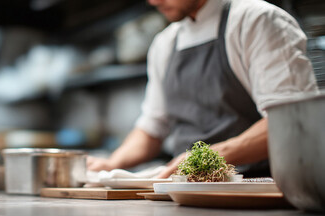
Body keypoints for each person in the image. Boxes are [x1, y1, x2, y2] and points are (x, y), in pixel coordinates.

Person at [87, 0, 318, 178]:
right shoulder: (164, 44)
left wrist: (203, 159)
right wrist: (111, 165)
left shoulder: (257, 20)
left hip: (256, 190)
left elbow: (291, 121)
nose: (153, 1)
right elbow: (152, 127)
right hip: (185, 192)